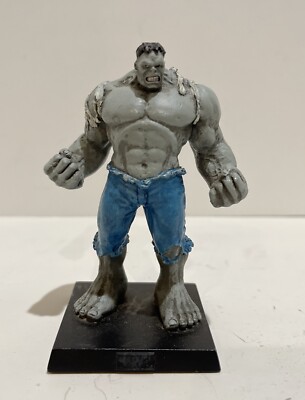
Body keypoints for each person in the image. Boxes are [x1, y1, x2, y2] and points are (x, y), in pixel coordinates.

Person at [44, 42, 248, 330]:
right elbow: (93, 143)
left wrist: (224, 176)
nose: (153, 72)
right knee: (109, 235)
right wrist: (74, 164)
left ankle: (172, 286)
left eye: (158, 67)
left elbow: (211, 147)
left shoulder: (193, 97)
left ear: (165, 64)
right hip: (120, 181)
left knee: (171, 240)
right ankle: (110, 281)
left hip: (166, 182)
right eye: (146, 67)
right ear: (136, 65)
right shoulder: (107, 95)